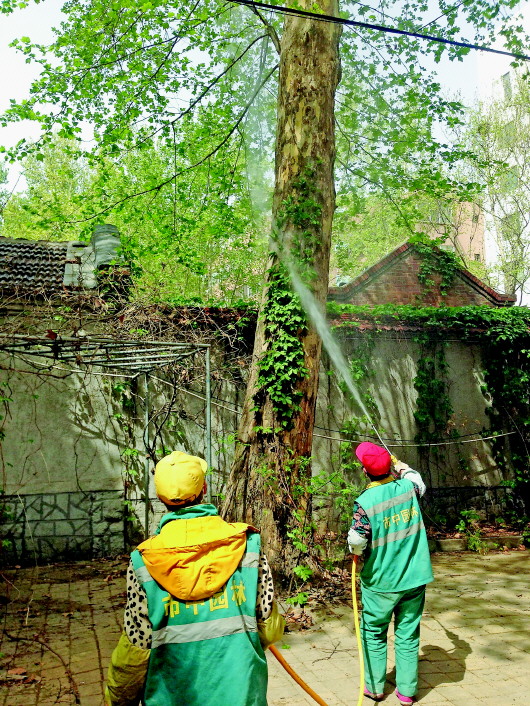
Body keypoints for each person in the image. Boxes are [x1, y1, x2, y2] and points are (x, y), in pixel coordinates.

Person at [105, 450, 285, 706]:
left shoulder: (143, 561)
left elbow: (137, 649)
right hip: (242, 695)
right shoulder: (247, 544)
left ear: (160, 497)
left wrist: (117, 699)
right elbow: (270, 628)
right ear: (204, 489)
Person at [347, 441, 434, 706]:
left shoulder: (364, 502)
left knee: (373, 632)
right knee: (408, 634)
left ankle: (374, 688)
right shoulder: (409, 488)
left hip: (381, 583)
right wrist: (401, 466)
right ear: (390, 468)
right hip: (414, 578)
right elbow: (417, 479)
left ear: (364, 471)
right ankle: (406, 692)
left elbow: (357, 541)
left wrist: (354, 547)